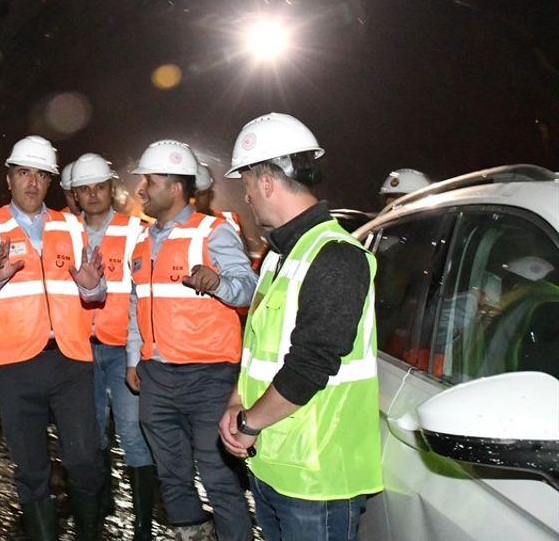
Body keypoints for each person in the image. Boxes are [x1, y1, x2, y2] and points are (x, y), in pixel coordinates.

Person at [217, 112, 383, 541]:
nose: (247, 197)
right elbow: (256, 348)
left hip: (317, 479)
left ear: (267, 182)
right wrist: (237, 401)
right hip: (273, 462)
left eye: (247, 184)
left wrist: (249, 424)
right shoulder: (277, 255)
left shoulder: (336, 257)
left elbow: (311, 362)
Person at [0, 135, 108, 541]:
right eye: (23, 173)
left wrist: (94, 288)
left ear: (50, 183)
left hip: (69, 361)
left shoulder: (71, 227)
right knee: (31, 469)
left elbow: (94, 292)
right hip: (14, 366)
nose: (32, 183)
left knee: (84, 460)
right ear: (9, 178)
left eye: (41, 175)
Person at [123, 140, 258, 541]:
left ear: (176, 187)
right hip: (157, 377)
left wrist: (218, 283)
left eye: (151, 179)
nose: (142, 188)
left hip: (209, 378)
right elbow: (137, 303)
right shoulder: (145, 240)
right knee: (172, 476)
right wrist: (134, 358)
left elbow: (249, 289)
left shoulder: (212, 232)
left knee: (217, 475)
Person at [69, 153, 157, 541]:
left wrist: (139, 353)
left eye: (98, 187)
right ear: (75, 194)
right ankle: (98, 505)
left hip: (123, 349)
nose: (92, 195)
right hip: (80, 349)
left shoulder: (137, 232)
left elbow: (145, 294)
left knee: (134, 435)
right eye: (84, 189)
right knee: (91, 436)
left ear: (111, 190)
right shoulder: (64, 232)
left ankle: (141, 526)